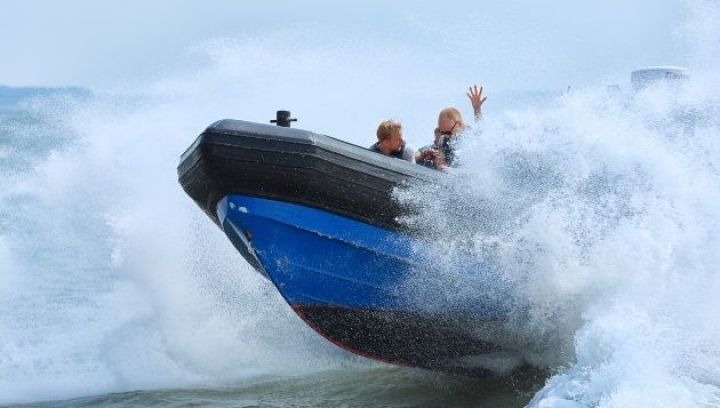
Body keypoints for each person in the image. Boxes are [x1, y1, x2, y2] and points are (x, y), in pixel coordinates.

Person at [417, 85, 487, 170]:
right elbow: (441, 160)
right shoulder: (443, 139)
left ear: (459, 124)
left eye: (448, 132)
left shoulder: (469, 135)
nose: (445, 135)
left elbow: (480, 131)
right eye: (442, 132)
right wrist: (439, 163)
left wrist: (477, 109)